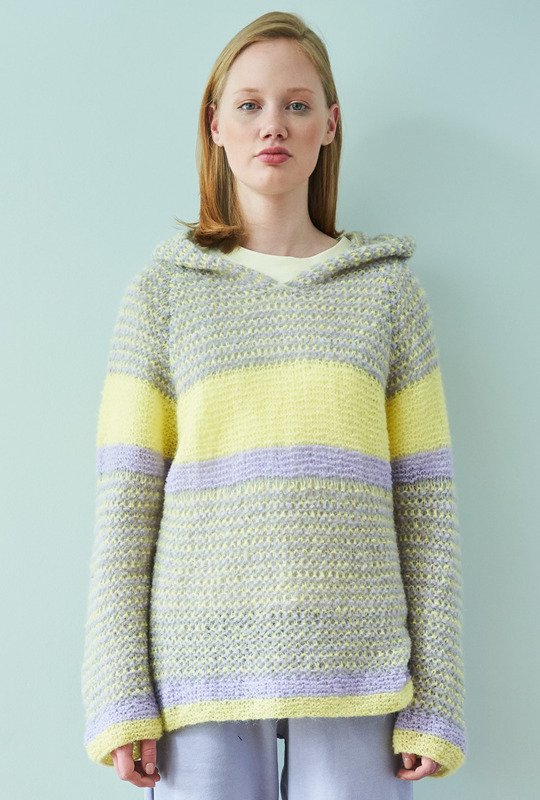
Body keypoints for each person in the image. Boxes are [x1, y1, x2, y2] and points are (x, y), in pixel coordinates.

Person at [81, 10, 467, 800]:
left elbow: (427, 506)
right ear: (215, 124)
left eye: (297, 105)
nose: (273, 126)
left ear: (331, 125)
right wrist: (119, 696)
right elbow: (125, 505)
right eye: (250, 104)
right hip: (199, 669)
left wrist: (438, 698)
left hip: (358, 666)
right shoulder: (162, 295)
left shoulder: (389, 295)